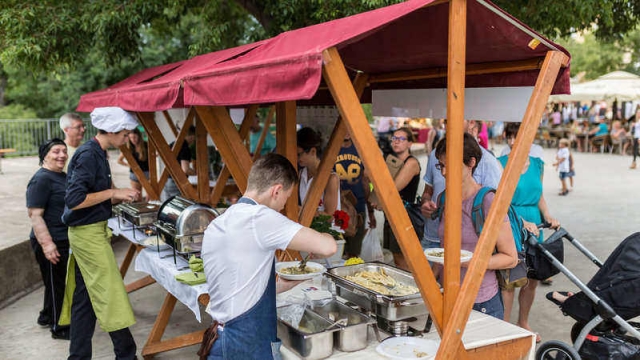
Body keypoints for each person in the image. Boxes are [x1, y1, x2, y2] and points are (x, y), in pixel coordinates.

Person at [201, 153, 337, 360]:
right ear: (276, 190)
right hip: (244, 344)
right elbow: (328, 247)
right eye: (286, 198)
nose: (284, 205)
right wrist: (326, 234)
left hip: (222, 338)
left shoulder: (222, 220)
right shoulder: (259, 217)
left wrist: (285, 283)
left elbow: (239, 287)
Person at [59, 106, 141, 360]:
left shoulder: (98, 152)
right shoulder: (88, 155)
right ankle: (126, 354)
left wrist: (119, 196)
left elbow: (93, 196)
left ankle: (79, 355)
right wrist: (113, 194)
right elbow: (75, 200)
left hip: (90, 231)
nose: (127, 138)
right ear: (113, 130)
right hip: (87, 235)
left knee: (85, 299)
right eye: (126, 134)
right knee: (110, 293)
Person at [431, 133, 518, 319]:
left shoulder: (488, 201)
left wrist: (469, 262)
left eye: (450, 166)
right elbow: (443, 249)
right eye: (441, 166)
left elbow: (510, 258)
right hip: (447, 295)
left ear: (471, 163)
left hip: (481, 302)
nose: (444, 173)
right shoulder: (444, 198)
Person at [497, 122, 560, 343]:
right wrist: (521, 220)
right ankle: (504, 328)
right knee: (512, 279)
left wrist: (548, 216)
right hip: (512, 223)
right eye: (510, 137)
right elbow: (499, 200)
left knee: (531, 279)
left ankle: (523, 321)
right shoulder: (500, 164)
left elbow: (539, 195)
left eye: (518, 137)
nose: (513, 142)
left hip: (535, 224)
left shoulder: (538, 164)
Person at [421, 120, 503, 250]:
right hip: (433, 238)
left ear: (472, 123)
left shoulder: (488, 161)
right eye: (441, 166)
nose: (444, 172)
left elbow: (497, 208)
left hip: (468, 247)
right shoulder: (436, 155)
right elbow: (428, 190)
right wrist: (425, 202)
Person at [26, 138, 70, 340]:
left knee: (54, 281)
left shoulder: (60, 175)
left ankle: (46, 316)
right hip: (51, 239)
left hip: (62, 237)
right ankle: (59, 327)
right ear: (45, 155)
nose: (61, 155)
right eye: (56, 151)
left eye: (64, 151)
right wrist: (48, 244)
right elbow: (35, 214)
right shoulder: (41, 179)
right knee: (57, 285)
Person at [377, 127, 421, 271]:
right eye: (394, 138)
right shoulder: (391, 161)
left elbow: (393, 188)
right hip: (391, 212)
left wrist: (378, 199)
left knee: (403, 257)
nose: (396, 142)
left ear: (409, 144)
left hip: (404, 214)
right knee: (396, 255)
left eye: (401, 139)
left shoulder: (412, 162)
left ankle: (412, 287)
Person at [334, 131, 374, 257]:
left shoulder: (360, 150)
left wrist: (370, 211)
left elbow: (365, 182)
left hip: (358, 205)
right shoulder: (331, 151)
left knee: (354, 251)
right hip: (337, 207)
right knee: (337, 250)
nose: (346, 132)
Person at [297, 127, 340, 216]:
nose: (297, 158)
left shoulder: (331, 178)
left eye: (299, 154)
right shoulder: (300, 174)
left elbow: (329, 215)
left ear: (313, 151)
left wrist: (301, 211)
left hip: (327, 229)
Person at [161, 125, 196, 201]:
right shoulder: (185, 147)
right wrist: (196, 173)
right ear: (192, 136)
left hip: (166, 180)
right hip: (176, 182)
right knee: (179, 207)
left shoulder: (172, 144)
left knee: (168, 208)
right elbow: (185, 169)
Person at [117, 128, 149, 194]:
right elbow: (119, 160)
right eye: (131, 138)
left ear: (139, 136)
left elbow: (155, 155)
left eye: (134, 137)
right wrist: (128, 165)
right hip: (134, 174)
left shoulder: (146, 145)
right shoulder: (128, 147)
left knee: (150, 197)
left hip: (147, 174)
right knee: (137, 197)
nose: (133, 140)